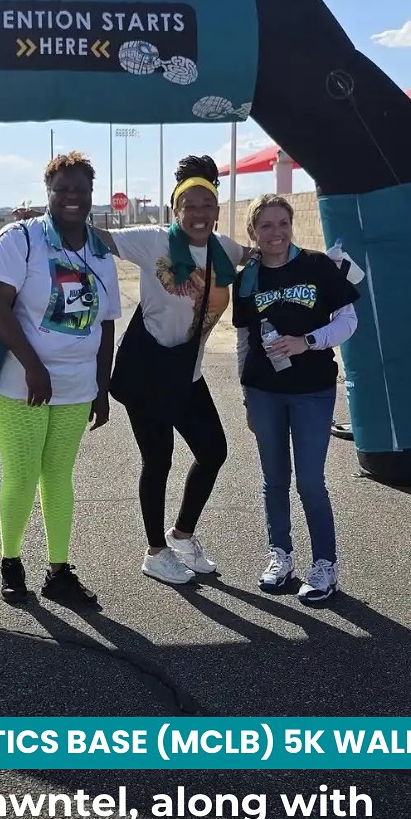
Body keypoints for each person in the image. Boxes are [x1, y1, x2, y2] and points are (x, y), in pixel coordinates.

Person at [95, 156, 247, 585]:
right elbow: (98, 237)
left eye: (207, 205)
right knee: (158, 461)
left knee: (213, 452)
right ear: (175, 209)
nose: (199, 214)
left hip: (187, 374)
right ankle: (155, 553)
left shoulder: (226, 250)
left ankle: (181, 535)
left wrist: (330, 262)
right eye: (190, 205)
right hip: (148, 373)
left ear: (216, 210)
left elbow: (273, 254)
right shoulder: (154, 241)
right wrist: (44, 221)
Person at [0, 151, 121, 610]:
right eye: (62, 190)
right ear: (49, 194)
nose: (71, 198)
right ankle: (11, 562)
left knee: (59, 476)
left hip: (76, 386)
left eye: (80, 189)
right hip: (20, 384)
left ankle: (59, 571)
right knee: (22, 476)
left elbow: (105, 324)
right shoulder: (20, 239)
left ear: (91, 193)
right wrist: (33, 367)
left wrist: (102, 386)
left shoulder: (100, 252)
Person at [232, 194, 360, 603]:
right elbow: (244, 338)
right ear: (253, 232)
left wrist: (308, 341)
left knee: (309, 480)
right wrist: (246, 395)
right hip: (264, 393)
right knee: (274, 480)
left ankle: (324, 564)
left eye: (282, 223)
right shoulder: (248, 278)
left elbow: (348, 321)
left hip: (312, 391)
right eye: (266, 226)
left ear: (292, 224)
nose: (276, 233)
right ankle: (281, 554)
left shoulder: (317, 265)